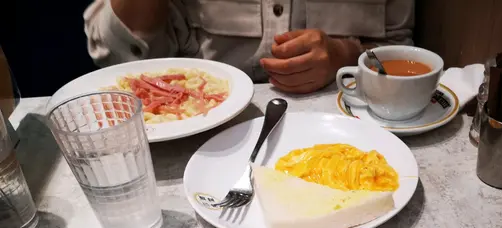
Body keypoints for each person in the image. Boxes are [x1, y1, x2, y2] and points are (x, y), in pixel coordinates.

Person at [84, 0, 414, 94]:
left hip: (344, 117)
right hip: (185, 136)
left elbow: (402, 53)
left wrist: (344, 55)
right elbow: (115, 60)